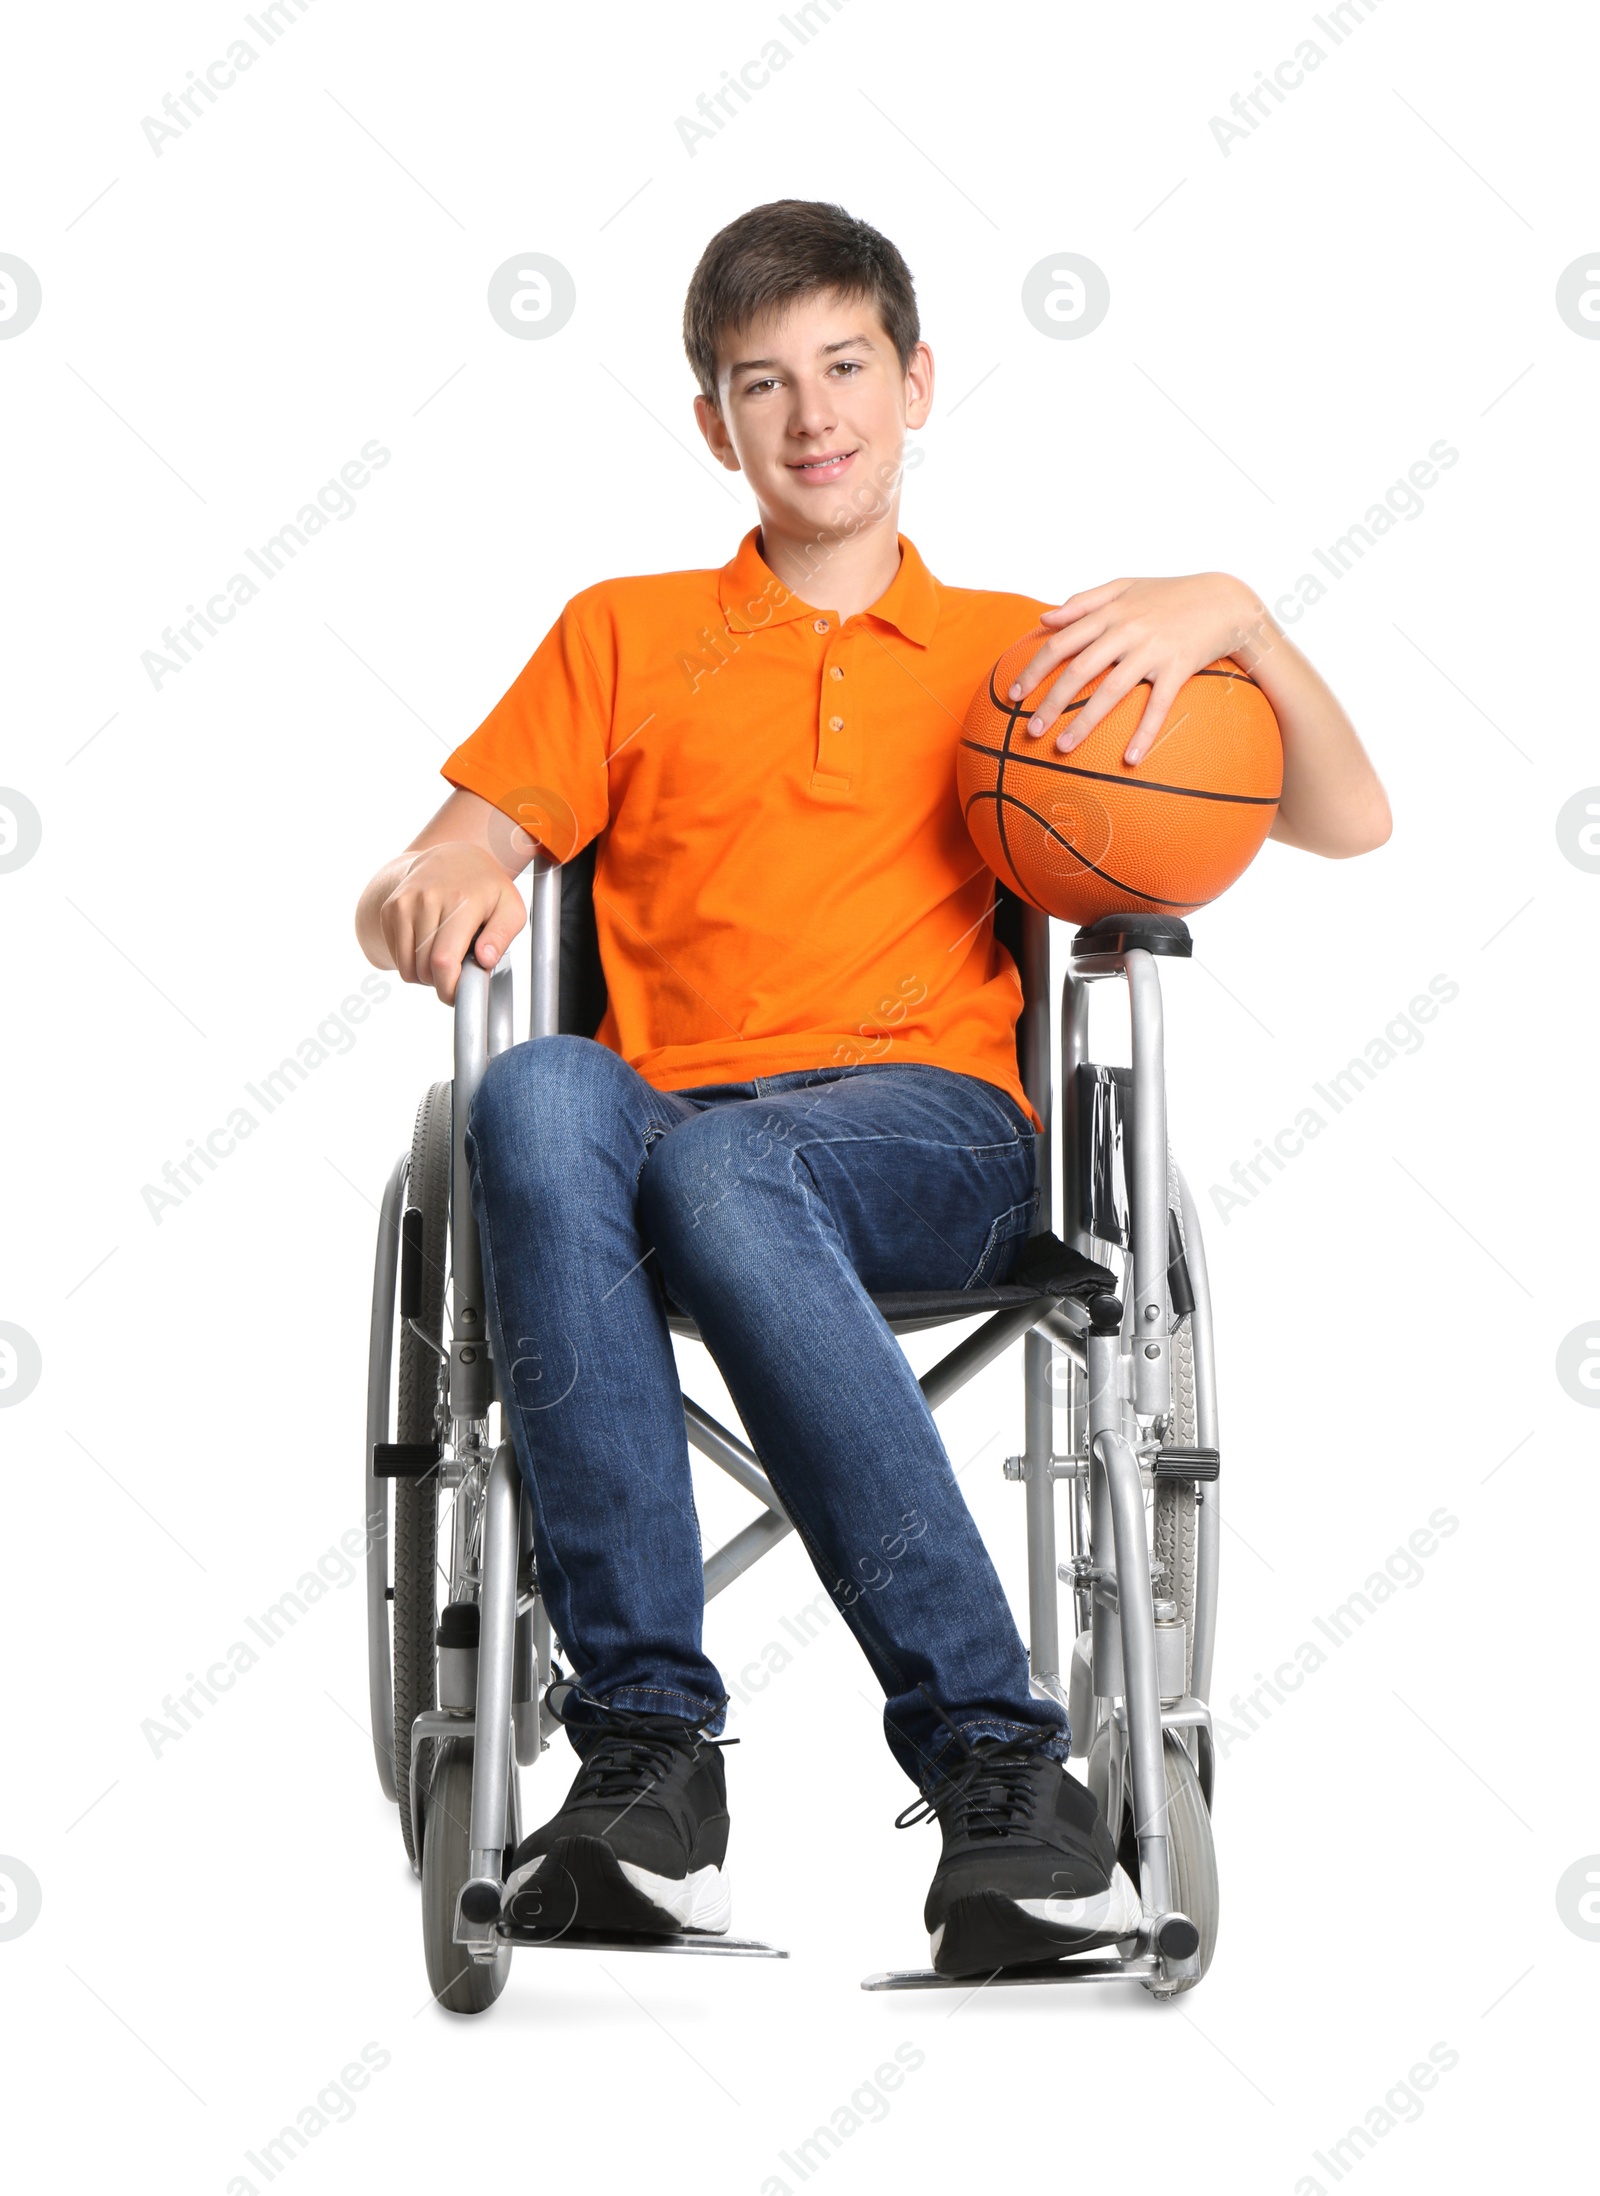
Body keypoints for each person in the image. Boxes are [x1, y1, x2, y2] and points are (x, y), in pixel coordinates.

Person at [354, 199, 1390, 1977]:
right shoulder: (623, 632)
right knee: (530, 1094)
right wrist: (427, 884)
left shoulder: (1025, 652)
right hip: (665, 1130)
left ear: (915, 384)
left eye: (845, 368)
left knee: (727, 1170)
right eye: (763, 384)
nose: (812, 412)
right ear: (715, 425)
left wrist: (1243, 618)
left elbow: (1344, 820)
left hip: (940, 1137)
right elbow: (449, 850)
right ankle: (649, 1766)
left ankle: (1000, 1760)